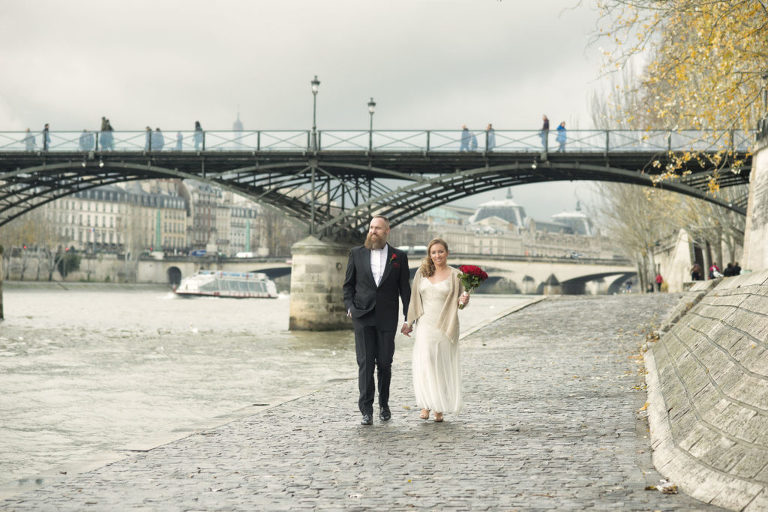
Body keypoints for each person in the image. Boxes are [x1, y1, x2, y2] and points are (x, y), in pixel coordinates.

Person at [343, 215, 411, 426]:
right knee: (365, 363)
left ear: (387, 231)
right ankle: (366, 410)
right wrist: (350, 308)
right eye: (371, 227)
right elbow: (348, 285)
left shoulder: (399, 256)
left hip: (387, 318)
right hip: (362, 316)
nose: (373, 231)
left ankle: (384, 404)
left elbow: (405, 290)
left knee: (384, 363)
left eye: (378, 228)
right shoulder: (356, 253)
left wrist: (409, 318)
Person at [403, 238, 469, 423]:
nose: (437, 255)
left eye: (440, 251)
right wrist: (409, 322)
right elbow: (414, 300)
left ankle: (438, 408)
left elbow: (460, 303)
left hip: (444, 325)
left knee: (440, 365)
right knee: (425, 363)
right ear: (429, 255)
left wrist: (464, 301)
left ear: (447, 253)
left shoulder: (456, 276)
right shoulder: (421, 274)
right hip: (425, 324)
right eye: (433, 252)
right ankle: (426, 404)